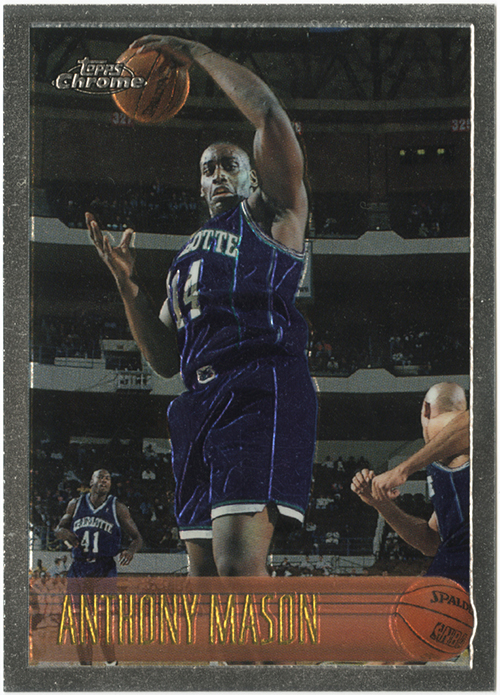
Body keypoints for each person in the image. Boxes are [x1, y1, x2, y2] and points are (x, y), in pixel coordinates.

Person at [86, 34, 317, 578]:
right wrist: (127, 285)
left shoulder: (272, 213)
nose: (219, 175)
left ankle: (284, 643)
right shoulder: (184, 258)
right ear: (199, 186)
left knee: (237, 568)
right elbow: (164, 359)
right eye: (209, 169)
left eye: (230, 165)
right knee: (204, 577)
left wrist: (196, 53)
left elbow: (269, 115)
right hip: (198, 402)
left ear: (253, 176)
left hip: (258, 387)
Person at [351, 382, 470, 591]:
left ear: (426, 408)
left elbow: (481, 421)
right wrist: (381, 503)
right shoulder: (443, 460)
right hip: (459, 569)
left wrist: (402, 469)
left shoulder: (443, 427)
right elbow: (430, 543)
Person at [55, 469, 143, 665]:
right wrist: (62, 532)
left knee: (102, 625)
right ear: (91, 481)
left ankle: (111, 665)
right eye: (100, 477)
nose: (104, 481)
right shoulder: (75, 504)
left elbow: (137, 538)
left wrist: (130, 551)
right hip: (78, 569)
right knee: (79, 626)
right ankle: (86, 670)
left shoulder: (118, 507)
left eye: (108, 478)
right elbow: (59, 528)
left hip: (104, 569)